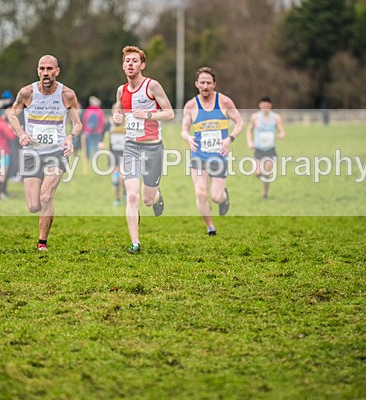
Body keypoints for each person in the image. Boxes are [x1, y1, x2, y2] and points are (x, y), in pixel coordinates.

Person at [7, 55, 82, 251]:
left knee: (46, 197)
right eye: (42, 69)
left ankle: (42, 242)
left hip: (56, 152)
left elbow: (77, 123)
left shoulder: (67, 94)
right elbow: (11, 114)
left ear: (57, 71)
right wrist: (21, 133)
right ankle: (44, 215)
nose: (45, 72)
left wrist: (70, 137)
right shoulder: (26, 92)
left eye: (50, 69)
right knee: (34, 206)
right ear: (38, 71)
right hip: (32, 153)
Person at [113, 45, 175, 254]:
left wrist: (147, 115)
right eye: (127, 61)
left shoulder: (152, 86)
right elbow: (118, 110)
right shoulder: (121, 90)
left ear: (142, 65)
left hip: (153, 148)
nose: (130, 64)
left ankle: (157, 197)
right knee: (131, 196)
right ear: (123, 65)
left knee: (147, 199)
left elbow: (169, 113)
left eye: (134, 61)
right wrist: (117, 117)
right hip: (131, 147)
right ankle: (135, 243)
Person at [181, 67, 243, 236]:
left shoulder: (224, 102)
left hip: (219, 156)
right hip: (199, 155)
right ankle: (210, 227)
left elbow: (239, 122)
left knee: (216, 197)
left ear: (214, 84)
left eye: (209, 82)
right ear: (196, 84)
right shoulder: (191, 105)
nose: (205, 85)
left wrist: (229, 139)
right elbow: (184, 129)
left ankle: (224, 198)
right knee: (200, 193)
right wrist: (188, 138)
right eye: (202, 82)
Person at [245, 96, 285, 199]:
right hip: (258, 148)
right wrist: (250, 142)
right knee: (257, 172)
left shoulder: (276, 117)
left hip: (270, 149)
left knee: (267, 173)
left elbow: (281, 130)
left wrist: (281, 134)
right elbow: (249, 130)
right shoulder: (255, 117)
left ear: (270, 106)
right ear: (260, 106)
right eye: (263, 105)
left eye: (267, 106)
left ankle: (265, 193)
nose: (265, 107)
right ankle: (261, 177)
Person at [108, 102, 126, 206]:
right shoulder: (109, 122)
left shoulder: (127, 122)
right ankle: (117, 199)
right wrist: (100, 141)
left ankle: (124, 192)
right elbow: (102, 132)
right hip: (113, 153)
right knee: (115, 179)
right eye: (114, 109)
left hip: (124, 153)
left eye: (118, 110)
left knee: (122, 177)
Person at [82, 96, 106, 161]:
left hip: (88, 131)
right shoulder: (100, 111)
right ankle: (95, 157)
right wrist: (100, 129)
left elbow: (85, 120)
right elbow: (102, 121)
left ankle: (88, 157)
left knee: (88, 145)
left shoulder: (88, 110)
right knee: (95, 145)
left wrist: (85, 130)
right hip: (97, 131)